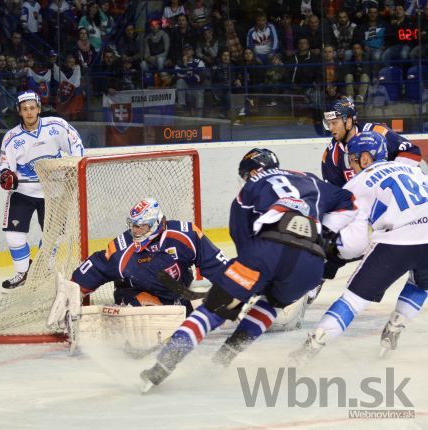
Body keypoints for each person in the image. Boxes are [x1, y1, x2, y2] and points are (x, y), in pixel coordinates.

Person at [140, 148, 357, 392]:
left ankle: (163, 365)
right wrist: (324, 235)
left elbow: (242, 240)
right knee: (272, 304)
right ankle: (222, 361)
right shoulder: (309, 179)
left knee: (216, 307)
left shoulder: (249, 190)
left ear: (253, 171)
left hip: (265, 253)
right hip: (312, 265)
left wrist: (249, 278)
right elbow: (349, 201)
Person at [290, 132, 428, 364]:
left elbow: (355, 242)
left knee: (352, 301)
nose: (351, 166)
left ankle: (312, 345)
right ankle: (396, 325)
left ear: (365, 158)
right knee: (421, 286)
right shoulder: (415, 170)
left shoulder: (358, 182)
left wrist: (331, 247)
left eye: (353, 160)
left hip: (396, 244)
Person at [319, 98, 423, 319]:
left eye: (336, 122)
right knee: (333, 249)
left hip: (401, 210)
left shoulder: (377, 132)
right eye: (329, 123)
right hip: (368, 212)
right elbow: (341, 199)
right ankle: (310, 286)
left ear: (349, 120)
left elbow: (413, 152)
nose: (332, 128)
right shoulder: (331, 155)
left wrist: (386, 176)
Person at [67, 198, 230, 315]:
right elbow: (97, 266)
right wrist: (73, 290)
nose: (135, 232)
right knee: (149, 314)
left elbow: (214, 262)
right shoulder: (122, 249)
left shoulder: (186, 236)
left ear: (157, 224)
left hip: (176, 295)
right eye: (134, 226)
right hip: (135, 295)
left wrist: (234, 287)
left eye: (141, 227)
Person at [0, 90, 85, 289]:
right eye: (24, 109)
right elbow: (2, 164)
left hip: (54, 193)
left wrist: (75, 165)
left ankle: (45, 269)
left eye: (32, 108)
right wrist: (5, 174)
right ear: (19, 111)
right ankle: (22, 273)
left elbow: (77, 146)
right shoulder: (12, 137)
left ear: (39, 109)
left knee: (53, 236)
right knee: (13, 235)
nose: (29, 112)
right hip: (23, 193)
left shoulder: (57, 126)